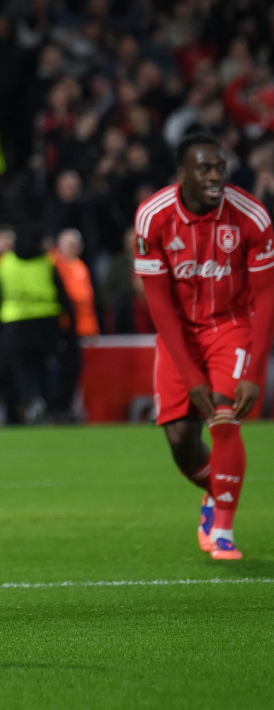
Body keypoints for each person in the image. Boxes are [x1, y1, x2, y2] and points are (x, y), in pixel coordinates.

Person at [134, 125, 274, 560]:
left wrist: (254, 370)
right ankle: (216, 492)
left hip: (231, 326)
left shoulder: (252, 218)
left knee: (224, 415)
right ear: (183, 174)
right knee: (180, 437)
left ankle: (225, 532)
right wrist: (191, 374)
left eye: (220, 168)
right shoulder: (152, 218)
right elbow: (158, 305)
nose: (216, 177)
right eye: (205, 169)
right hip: (179, 333)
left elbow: (267, 296)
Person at [0, 226, 73, 423]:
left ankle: (33, 400)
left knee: (22, 368)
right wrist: (70, 325)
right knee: (43, 367)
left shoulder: (5, 264)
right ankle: (48, 407)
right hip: (46, 324)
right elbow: (63, 296)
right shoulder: (47, 262)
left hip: (16, 326)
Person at [52, 228, 98, 417]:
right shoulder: (55, 265)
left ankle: (67, 409)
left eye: (76, 244)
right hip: (63, 327)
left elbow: (87, 300)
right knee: (62, 370)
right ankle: (57, 409)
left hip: (81, 328)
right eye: (69, 243)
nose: (74, 247)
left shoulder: (80, 266)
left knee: (74, 370)